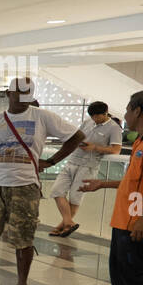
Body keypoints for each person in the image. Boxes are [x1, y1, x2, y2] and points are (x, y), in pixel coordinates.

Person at [0, 78, 86, 285]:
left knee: (24, 238)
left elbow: (77, 137)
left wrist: (51, 161)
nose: (22, 98)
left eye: (26, 94)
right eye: (18, 93)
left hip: (25, 186)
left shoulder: (42, 116)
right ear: (8, 93)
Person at [79, 90, 143, 285]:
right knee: (121, 274)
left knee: (137, 278)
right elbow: (138, 180)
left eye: (127, 110)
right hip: (126, 219)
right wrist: (103, 184)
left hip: (138, 223)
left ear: (138, 110)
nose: (124, 115)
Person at [48, 100, 124, 237]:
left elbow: (116, 150)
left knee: (75, 197)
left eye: (97, 116)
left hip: (89, 165)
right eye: (92, 116)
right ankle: (68, 222)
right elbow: (78, 136)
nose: (94, 119)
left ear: (105, 113)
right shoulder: (88, 122)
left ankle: (63, 226)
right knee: (56, 191)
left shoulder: (114, 128)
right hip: (72, 160)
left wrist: (94, 147)